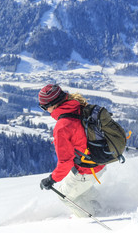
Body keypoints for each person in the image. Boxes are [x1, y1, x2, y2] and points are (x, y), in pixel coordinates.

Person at [38, 83, 106, 217]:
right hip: (100, 161)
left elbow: (66, 162)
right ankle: (105, 208)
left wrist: (51, 179)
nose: (45, 110)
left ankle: (88, 221)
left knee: (64, 196)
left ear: (53, 104)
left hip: (87, 169)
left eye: (44, 107)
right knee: (81, 189)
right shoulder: (78, 106)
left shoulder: (62, 126)